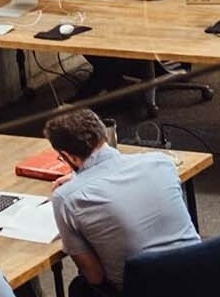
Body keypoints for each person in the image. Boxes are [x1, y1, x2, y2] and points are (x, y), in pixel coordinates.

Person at [45, 110, 200, 296]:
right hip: (198, 278)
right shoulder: (161, 162)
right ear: (103, 134)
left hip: (141, 289)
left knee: (80, 287)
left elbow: (95, 276)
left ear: (68, 156)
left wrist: (78, 183)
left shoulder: (66, 197)